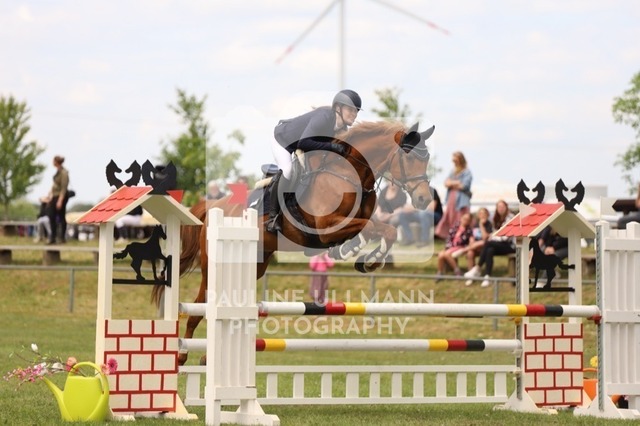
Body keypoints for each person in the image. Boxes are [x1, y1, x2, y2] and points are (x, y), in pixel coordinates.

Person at [267, 89, 362, 232]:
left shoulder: (342, 128)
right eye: (351, 110)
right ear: (338, 108)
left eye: (356, 111)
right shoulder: (324, 117)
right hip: (283, 140)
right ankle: (272, 217)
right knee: (288, 170)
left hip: (301, 144)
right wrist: (332, 147)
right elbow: (304, 143)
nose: (354, 114)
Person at [464, 200, 515, 287]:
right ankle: (487, 277)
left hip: (510, 245)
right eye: (498, 207)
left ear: (506, 207)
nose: (500, 209)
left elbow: (506, 237)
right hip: (500, 244)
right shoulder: (497, 219)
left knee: (488, 243)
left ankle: (477, 268)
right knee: (489, 250)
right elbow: (495, 233)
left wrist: (492, 237)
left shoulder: (510, 218)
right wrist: (493, 236)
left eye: (502, 207)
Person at [435, 151, 473, 240]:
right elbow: (446, 183)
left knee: (461, 217)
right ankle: (450, 236)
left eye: (456, 160)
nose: (454, 162)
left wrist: (451, 183)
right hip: (451, 198)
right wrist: (456, 183)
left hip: (462, 200)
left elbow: (464, 185)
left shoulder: (467, 172)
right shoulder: (453, 171)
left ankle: (462, 236)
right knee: (451, 216)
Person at [436, 212, 474, 281]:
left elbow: (471, 241)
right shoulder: (455, 227)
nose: (465, 221)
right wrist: (447, 247)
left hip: (461, 247)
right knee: (441, 254)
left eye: (467, 220)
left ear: (469, 221)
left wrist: (471, 244)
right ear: (461, 218)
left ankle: (457, 271)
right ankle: (440, 273)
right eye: (464, 218)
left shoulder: (469, 230)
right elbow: (449, 239)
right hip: (451, 247)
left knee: (446, 254)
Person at [458, 207, 493, 274]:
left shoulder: (489, 224)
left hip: (485, 247)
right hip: (475, 247)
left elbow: (485, 238)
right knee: (470, 253)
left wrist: (481, 225)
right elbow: (472, 236)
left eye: (484, 214)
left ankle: (463, 250)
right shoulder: (475, 225)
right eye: (480, 214)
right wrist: (472, 240)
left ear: (487, 215)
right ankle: (471, 273)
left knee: (483, 242)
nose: (482, 215)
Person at [47, 155, 70, 244]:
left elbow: (64, 188)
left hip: (61, 196)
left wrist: (60, 200)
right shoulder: (58, 172)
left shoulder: (64, 173)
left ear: (56, 162)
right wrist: (50, 194)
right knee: (51, 216)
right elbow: (55, 185)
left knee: (61, 216)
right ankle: (53, 237)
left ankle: (62, 238)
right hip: (55, 196)